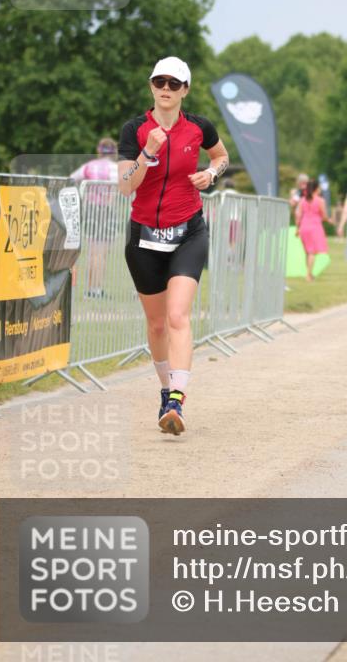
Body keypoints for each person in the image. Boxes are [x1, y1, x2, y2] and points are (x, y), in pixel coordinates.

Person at [117, 56, 229, 436]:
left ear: (185, 90)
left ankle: (178, 400)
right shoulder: (134, 129)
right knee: (156, 323)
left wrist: (211, 174)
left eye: (173, 83)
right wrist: (147, 152)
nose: (166, 89)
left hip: (187, 232)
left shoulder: (200, 127)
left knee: (178, 316)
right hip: (144, 235)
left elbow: (221, 156)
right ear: (151, 86)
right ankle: (166, 390)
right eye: (159, 82)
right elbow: (125, 185)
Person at [71, 138, 119, 299]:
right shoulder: (115, 168)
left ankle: (89, 289)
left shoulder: (89, 166)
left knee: (92, 252)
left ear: (99, 150)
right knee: (102, 253)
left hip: (90, 210)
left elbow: (71, 179)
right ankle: (95, 290)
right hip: (106, 211)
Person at [295, 179, 329, 282]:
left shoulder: (302, 200)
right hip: (315, 227)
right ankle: (308, 275)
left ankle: (309, 273)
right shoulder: (320, 200)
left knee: (308, 252)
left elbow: (298, 214)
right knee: (312, 252)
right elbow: (324, 216)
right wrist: (326, 219)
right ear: (316, 188)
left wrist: (297, 228)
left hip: (304, 227)